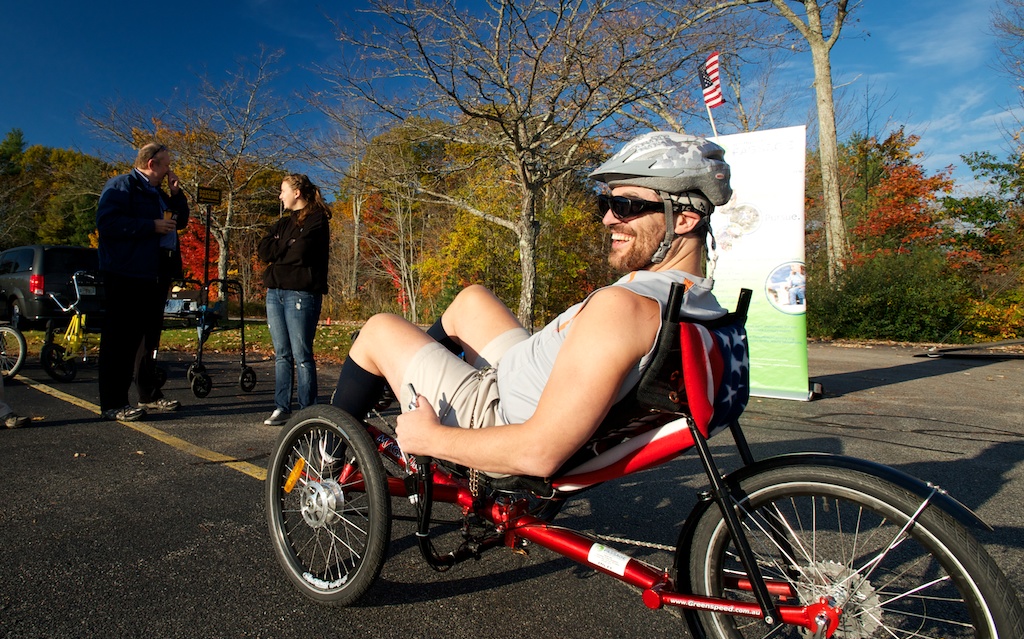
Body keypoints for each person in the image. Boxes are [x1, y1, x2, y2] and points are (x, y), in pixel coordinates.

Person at [330, 131, 732, 478]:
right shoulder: (696, 299)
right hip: (521, 381)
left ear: (684, 219)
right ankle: (400, 380)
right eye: (606, 205)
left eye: (628, 206)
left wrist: (429, 437)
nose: (608, 219)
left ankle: (323, 457)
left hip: (495, 418)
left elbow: (538, 452)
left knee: (379, 329)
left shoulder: (624, 308)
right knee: (472, 299)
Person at [96, 142, 189, 422]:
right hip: (126, 272)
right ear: (152, 164)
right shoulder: (122, 186)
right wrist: (151, 226)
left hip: (155, 272)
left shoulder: (158, 193)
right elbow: (108, 224)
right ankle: (113, 402)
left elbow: (180, 221)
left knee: (148, 338)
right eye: (166, 165)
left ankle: (148, 393)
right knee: (120, 338)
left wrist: (176, 194)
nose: (169, 170)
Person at [257, 174, 332, 426]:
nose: (280, 196)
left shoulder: (317, 219)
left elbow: (301, 252)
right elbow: (263, 251)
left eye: (283, 191)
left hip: (301, 293)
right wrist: (285, 245)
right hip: (275, 292)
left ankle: (307, 411)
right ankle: (282, 407)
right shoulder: (283, 223)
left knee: (302, 354)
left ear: (296, 192)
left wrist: (282, 249)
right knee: (282, 354)